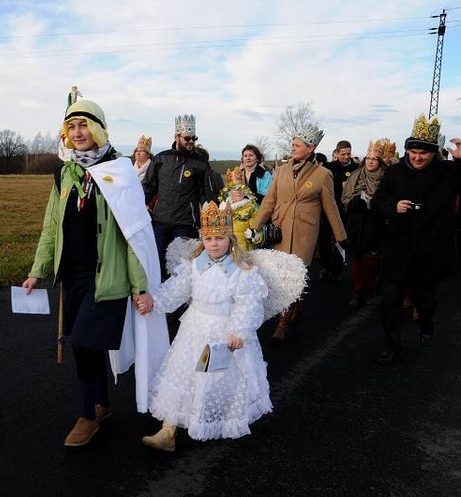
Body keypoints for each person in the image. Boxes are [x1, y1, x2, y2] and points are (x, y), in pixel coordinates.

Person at [22, 98, 169, 446]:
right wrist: (37, 270)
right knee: (87, 346)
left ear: (98, 128)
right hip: (71, 275)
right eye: (71, 128)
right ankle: (102, 405)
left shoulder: (119, 171)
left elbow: (132, 233)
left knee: (85, 342)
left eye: (83, 125)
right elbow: (51, 226)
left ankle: (88, 415)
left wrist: (140, 286)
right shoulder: (64, 173)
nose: (77, 133)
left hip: (107, 278)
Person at [135, 202, 288, 452]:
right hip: (193, 329)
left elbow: (248, 304)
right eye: (208, 238)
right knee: (183, 375)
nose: (214, 243)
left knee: (214, 380)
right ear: (201, 239)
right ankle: (167, 430)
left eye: (219, 238)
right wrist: (154, 299)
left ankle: (216, 419)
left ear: (230, 239)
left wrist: (239, 331)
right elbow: (177, 288)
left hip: (223, 333)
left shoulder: (243, 270)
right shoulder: (194, 265)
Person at [371, 115, 461, 364]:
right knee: (390, 302)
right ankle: (392, 345)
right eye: (413, 152)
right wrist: (393, 207)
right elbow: (378, 201)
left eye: (423, 153)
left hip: (428, 251)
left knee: (425, 299)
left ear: (433, 154)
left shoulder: (448, 172)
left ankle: (426, 325)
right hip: (396, 248)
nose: (418, 157)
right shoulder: (394, 172)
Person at [249, 123, 347, 342]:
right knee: (281, 276)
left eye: (297, 144)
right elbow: (269, 201)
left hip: (305, 233)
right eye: (292, 144)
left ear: (310, 148)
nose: (292, 148)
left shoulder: (323, 175)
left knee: (295, 274)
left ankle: (283, 322)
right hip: (280, 231)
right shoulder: (281, 171)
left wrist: (341, 237)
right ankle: (295, 306)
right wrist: (255, 227)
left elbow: (331, 207)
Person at [143, 114, 223, 279]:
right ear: (176, 137)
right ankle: (159, 300)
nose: (191, 141)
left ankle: (181, 304)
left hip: (185, 224)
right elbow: (148, 187)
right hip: (160, 222)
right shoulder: (161, 158)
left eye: (194, 138)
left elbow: (206, 195)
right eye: (187, 138)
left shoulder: (200, 163)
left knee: (180, 267)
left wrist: (212, 220)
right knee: (157, 262)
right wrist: (137, 208)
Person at [341, 140, 391, 306]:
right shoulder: (356, 175)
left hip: (376, 224)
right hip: (356, 223)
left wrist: (377, 205)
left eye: (374, 158)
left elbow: (390, 201)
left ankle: (370, 287)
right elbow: (345, 199)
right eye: (368, 158)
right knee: (357, 259)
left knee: (371, 261)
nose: (370, 161)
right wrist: (354, 202)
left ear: (380, 161)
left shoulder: (387, 178)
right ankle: (357, 291)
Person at [318, 140, 359, 282]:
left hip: (345, 211)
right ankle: (325, 266)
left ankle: (337, 270)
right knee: (324, 239)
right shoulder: (329, 168)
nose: (346, 157)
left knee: (341, 242)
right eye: (343, 154)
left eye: (348, 153)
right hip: (328, 210)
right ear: (337, 153)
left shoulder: (356, 169)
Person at [219, 167, 259, 251]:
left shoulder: (251, 207)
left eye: (241, 188)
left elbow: (258, 232)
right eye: (235, 189)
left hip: (245, 250)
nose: (238, 191)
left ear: (245, 191)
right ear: (229, 191)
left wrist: (254, 236)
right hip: (226, 250)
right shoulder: (222, 207)